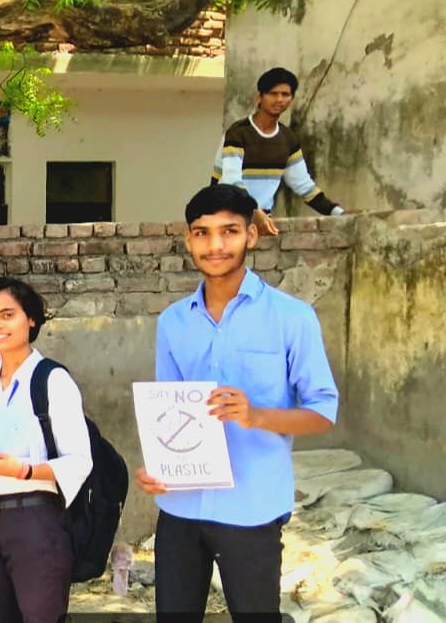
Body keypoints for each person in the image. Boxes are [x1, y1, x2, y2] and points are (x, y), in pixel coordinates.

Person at [136, 184, 339, 621]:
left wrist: (256, 415)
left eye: (228, 231)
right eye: (202, 232)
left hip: (252, 507)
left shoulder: (292, 318)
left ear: (251, 235)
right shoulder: (173, 322)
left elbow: (323, 411)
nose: (215, 245)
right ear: (188, 239)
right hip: (181, 508)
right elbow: (167, 410)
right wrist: (158, 466)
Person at [0, 278, 92, 623]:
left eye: (7, 315)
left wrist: (24, 471)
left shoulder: (51, 380)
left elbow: (79, 460)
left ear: (30, 319)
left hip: (36, 520)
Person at [213, 66, 346, 236]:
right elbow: (231, 181)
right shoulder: (238, 133)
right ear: (259, 97)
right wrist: (253, 210)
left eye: (285, 94)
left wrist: (339, 213)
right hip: (227, 220)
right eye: (273, 93)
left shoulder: (288, 139)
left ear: (292, 99)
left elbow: (304, 186)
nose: (279, 99)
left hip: (262, 223)